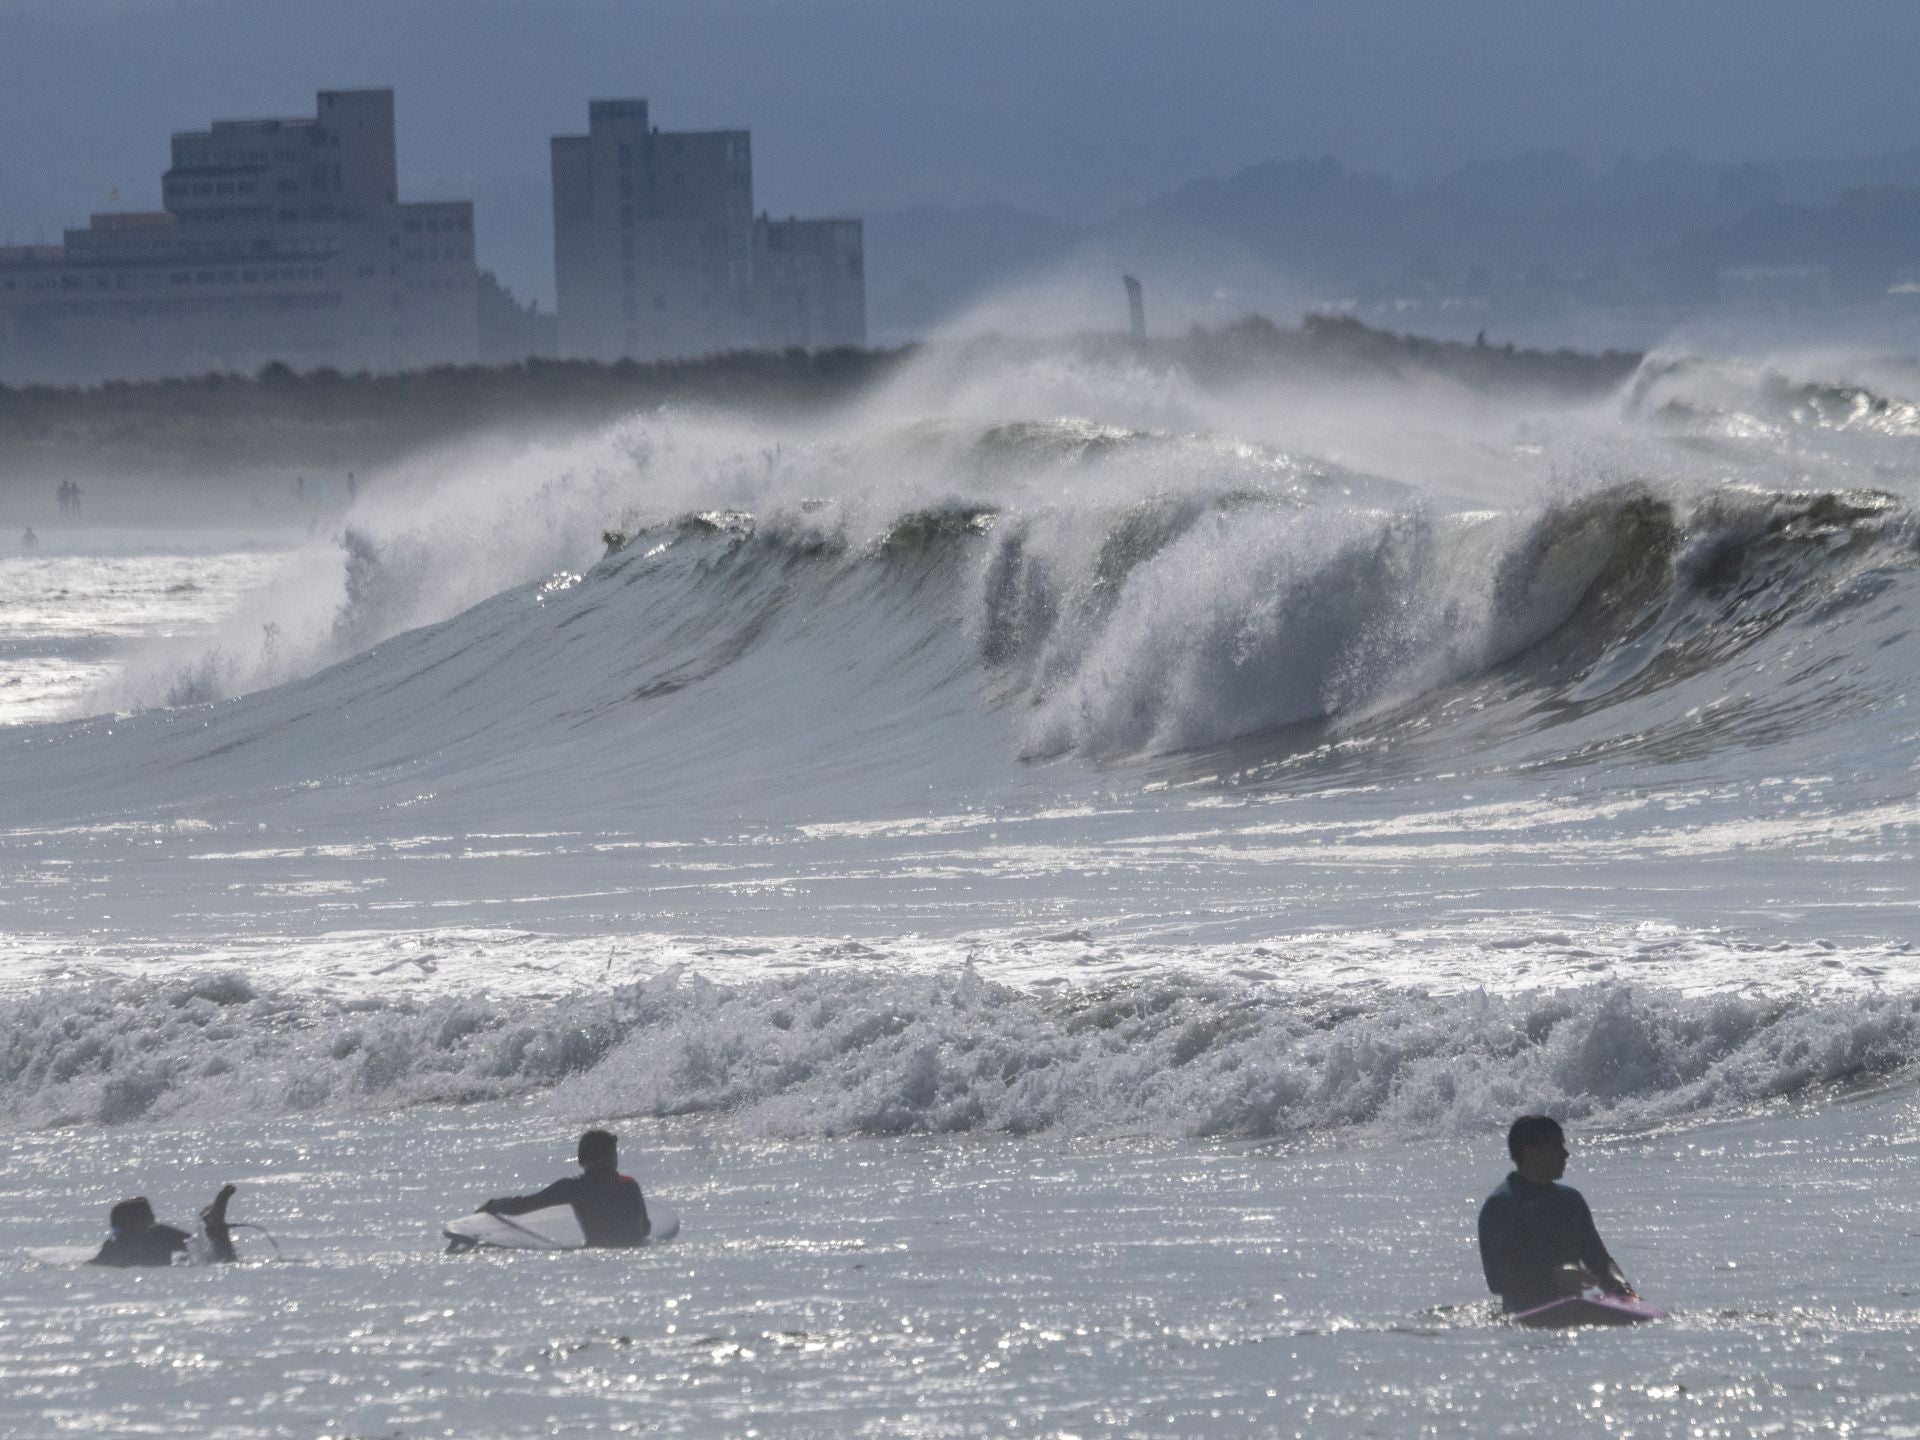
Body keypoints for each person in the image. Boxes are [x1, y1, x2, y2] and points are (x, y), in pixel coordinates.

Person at [1478, 1116, 1634, 1312]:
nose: (1566, 1154)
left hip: (1572, 1311)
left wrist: (1624, 1291)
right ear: (1530, 1153)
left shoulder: (1571, 1200)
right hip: (1524, 1317)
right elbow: (1497, 1281)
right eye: (1555, 1147)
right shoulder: (1501, 1205)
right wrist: (1554, 1275)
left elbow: (1599, 1261)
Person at [477, 1129, 650, 1247]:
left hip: (598, 1254)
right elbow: (645, 1229)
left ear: (581, 1161)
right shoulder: (629, 1184)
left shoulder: (575, 1188)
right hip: (636, 1251)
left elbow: (522, 1206)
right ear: (614, 1159)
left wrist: (493, 1205)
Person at [88, 1184, 239, 1267]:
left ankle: (214, 1226)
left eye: (116, 1230)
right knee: (221, 1259)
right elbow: (199, 1246)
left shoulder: (114, 1245)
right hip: (173, 1259)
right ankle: (215, 1226)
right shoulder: (161, 1234)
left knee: (218, 1259)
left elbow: (92, 1266)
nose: (116, 1233)